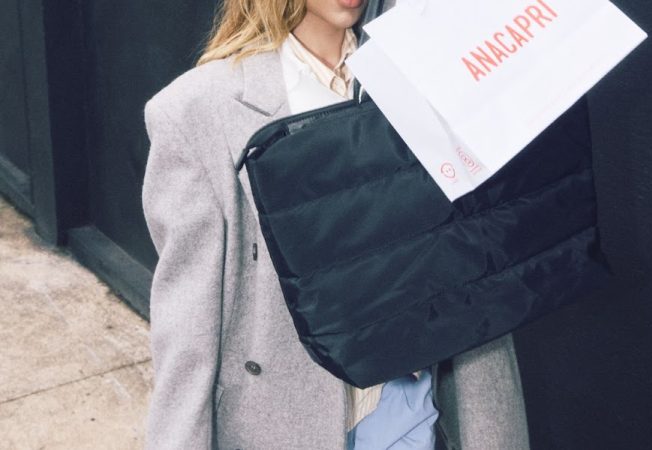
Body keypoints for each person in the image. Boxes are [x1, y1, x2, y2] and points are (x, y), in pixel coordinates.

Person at [141, 0, 530, 448]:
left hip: (408, 405)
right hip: (284, 421)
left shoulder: (420, 76)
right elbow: (188, 331)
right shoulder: (195, 112)